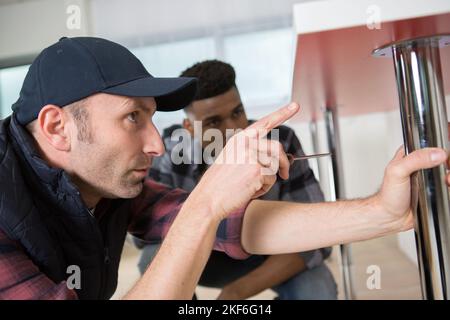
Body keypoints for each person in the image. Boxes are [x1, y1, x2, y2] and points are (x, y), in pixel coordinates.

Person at [0, 37, 448, 300]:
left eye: (153, 117)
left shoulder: (108, 179)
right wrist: (209, 201)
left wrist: (384, 213)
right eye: (132, 117)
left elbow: (236, 224)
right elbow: (201, 219)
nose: (156, 142)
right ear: (57, 127)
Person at [137, 60, 337, 300]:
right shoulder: (169, 150)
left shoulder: (280, 142)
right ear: (189, 127)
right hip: (199, 258)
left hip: (266, 252)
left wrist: (235, 292)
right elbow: (144, 237)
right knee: (151, 258)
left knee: (318, 287)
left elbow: (316, 240)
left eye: (237, 113)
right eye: (213, 122)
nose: (233, 130)